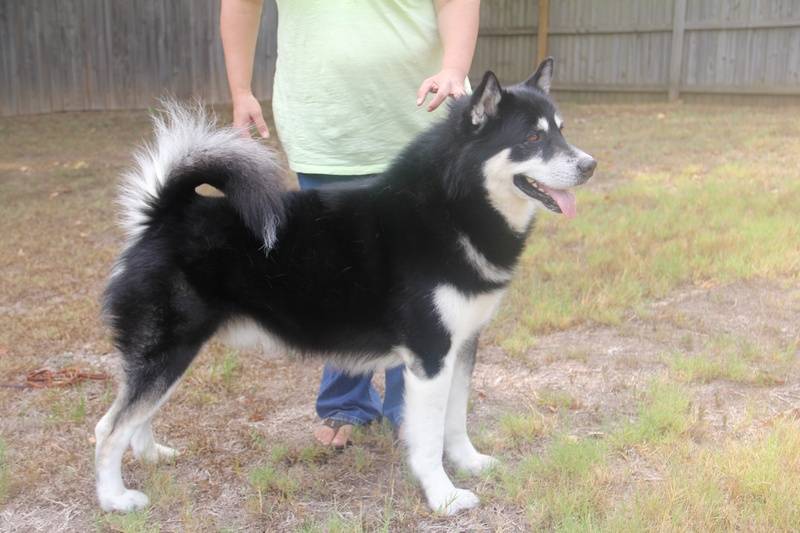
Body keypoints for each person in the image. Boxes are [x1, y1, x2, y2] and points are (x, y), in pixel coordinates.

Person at [221, 0, 479, 448]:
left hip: (422, 125)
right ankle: (346, 403)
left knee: (424, 278)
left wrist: (455, 67)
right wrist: (240, 91)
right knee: (336, 271)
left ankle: (415, 407)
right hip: (327, 124)